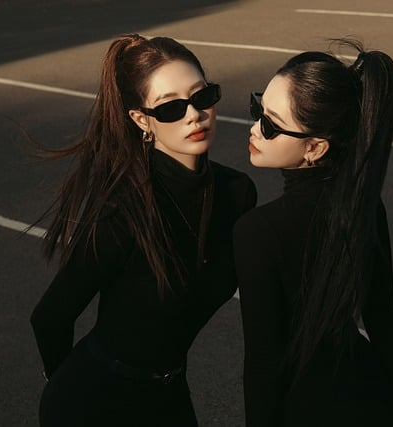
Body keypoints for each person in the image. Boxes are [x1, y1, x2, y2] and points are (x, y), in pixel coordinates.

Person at [29, 33, 257, 426]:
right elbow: (50, 316)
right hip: (95, 403)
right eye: (170, 108)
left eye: (202, 97)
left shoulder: (237, 194)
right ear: (141, 120)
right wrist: (62, 384)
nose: (193, 115)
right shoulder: (122, 213)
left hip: (170, 393)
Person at [233, 39, 393, 426]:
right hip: (369, 395)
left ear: (314, 147)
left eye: (270, 125)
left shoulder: (257, 231)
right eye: (257, 108)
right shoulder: (364, 206)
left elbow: (263, 359)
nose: (254, 129)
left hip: (305, 408)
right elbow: (382, 317)